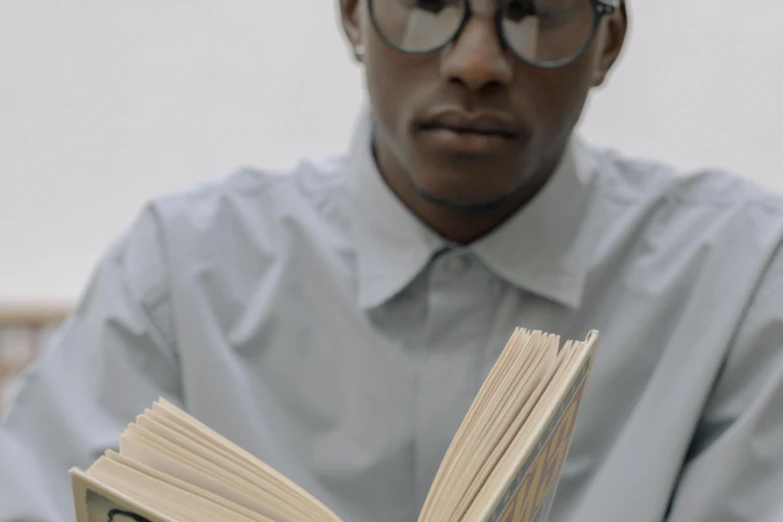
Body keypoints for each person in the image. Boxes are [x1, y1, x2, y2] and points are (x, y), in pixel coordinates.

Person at [2, 0, 782, 520]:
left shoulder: (744, 279)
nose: (477, 62)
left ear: (605, 45)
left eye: (532, 11)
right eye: (430, 3)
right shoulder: (178, 271)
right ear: (353, 17)